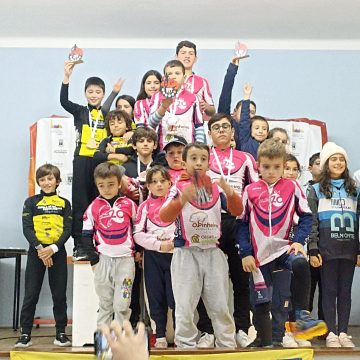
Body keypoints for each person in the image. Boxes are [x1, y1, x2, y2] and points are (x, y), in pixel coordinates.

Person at [236, 138, 327, 347]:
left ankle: (301, 319)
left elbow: (306, 216)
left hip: (283, 251)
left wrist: (298, 241)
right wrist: (246, 253)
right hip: (259, 257)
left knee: (298, 267)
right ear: (258, 165)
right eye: (266, 167)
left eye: (277, 167)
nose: (271, 171)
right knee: (260, 301)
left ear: (283, 165)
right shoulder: (250, 191)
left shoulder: (292, 187)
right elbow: (241, 224)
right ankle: (263, 338)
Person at [160, 143, 243, 348]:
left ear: (209, 162)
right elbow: (163, 217)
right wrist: (182, 199)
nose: (198, 163)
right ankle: (186, 346)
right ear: (184, 162)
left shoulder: (215, 187)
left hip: (213, 253)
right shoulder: (177, 187)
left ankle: (226, 345)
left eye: (203, 159)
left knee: (220, 305)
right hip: (186, 253)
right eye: (194, 158)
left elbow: (237, 210)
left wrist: (230, 191)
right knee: (185, 306)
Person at [60, 61, 121, 261]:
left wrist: (114, 93)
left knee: (100, 200)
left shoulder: (105, 114)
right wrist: (66, 78)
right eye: (90, 91)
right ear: (85, 93)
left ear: (103, 95)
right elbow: (64, 102)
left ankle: (99, 241)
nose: (94, 95)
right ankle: (79, 245)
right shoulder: (80, 111)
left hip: (100, 162)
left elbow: (113, 115)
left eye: (98, 92)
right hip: (81, 160)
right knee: (80, 202)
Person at [207, 113, 258, 347]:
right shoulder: (204, 157)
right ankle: (208, 330)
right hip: (210, 224)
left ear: (233, 131)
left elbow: (255, 188)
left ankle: (242, 328)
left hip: (238, 222)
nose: (221, 131)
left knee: (240, 279)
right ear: (209, 133)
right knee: (209, 282)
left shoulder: (245, 158)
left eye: (226, 126)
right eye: (216, 127)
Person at [307, 142, 360, 348]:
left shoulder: (354, 189)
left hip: (349, 249)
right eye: (333, 159)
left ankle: (344, 332)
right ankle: (330, 333)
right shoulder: (316, 189)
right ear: (326, 163)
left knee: (344, 292)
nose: (338, 163)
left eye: (341, 159)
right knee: (328, 291)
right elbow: (311, 221)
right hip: (327, 248)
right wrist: (313, 247)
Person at [15, 164, 72, 348]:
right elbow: (27, 228)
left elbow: (67, 229)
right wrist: (41, 249)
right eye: (42, 179)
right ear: (38, 182)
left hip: (57, 251)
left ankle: (61, 333)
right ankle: (25, 334)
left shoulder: (65, 203)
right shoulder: (30, 202)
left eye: (50, 178)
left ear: (57, 181)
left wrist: (53, 249)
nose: (46, 182)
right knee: (31, 294)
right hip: (36, 253)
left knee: (59, 294)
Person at [80, 162, 137, 327]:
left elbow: (137, 229)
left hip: (126, 262)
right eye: (101, 185)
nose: (106, 189)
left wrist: (138, 252)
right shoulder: (93, 208)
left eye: (111, 184)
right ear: (97, 185)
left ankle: (120, 345)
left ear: (119, 183)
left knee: (122, 305)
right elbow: (86, 234)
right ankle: (103, 348)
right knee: (105, 305)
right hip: (103, 261)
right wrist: (93, 260)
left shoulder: (129, 205)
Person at [133, 165, 175, 348]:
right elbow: (137, 234)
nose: (159, 185)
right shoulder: (144, 207)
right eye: (154, 182)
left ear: (169, 183)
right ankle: (160, 336)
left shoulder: (177, 203)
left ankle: (181, 334)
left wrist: (173, 243)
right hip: (153, 257)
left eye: (162, 181)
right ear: (148, 186)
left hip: (175, 256)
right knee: (155, 296)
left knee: (177, 298)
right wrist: (158, 244)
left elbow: (184, 228)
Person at [148, 59, 205, 151]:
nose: (173, 77)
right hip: (164, 149)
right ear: (164, 78)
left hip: (188, 150)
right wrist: (163, 107)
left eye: (177, 73)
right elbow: (151, 123)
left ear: (184, 77)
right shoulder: (157, 96)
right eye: (169, 74)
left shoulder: (193, 98)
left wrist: (199, 148)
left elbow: (199, 126)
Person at [175, 40, 215, 118]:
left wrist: (206, 107)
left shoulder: (202, 82)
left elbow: (212, 110)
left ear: (195, 59)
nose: (187, 56)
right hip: (171, 126)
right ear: (176, 57)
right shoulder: (167, 80)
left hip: (195, 126)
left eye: (191, 53)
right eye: (183, 53)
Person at [234, 83, 268, 159]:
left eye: (264, 129)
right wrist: (246, 97)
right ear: (250, 130)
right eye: (256, 128)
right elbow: (245, 121)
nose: (260, 131)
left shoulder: (269, 146)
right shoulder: (245, 141)